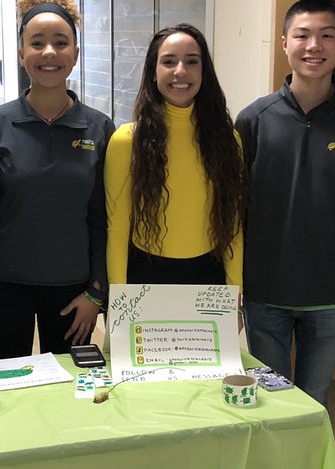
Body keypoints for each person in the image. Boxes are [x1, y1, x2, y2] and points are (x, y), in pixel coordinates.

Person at [235, 0, 335, 406]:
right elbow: (234, 212)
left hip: (330, 294)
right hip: (265, 293)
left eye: (326, 36)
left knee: (314, 399)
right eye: (302, 35)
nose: (313, 46)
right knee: (273, 401)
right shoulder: (253, 120)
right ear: (285, 43)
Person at [0, 0, 114, 358]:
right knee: (5, 390)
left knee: (68, 393)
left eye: (60, 42)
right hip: (2, 285)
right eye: (37, 43)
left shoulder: (99, 129)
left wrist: (96, 292)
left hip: (73, 291)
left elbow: (103, 217)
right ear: (21, 54)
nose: (49, 52)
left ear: (76, 54)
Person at [104, 24, 245, 289]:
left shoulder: (227, 140)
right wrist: (119, 298)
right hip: (145, 274)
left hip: (208, 276)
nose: (180, 71)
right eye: (168, 61)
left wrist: (235, 294)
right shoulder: (127, 141)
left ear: (204, 72)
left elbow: (232, 225)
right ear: (153, 72)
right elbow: (118, 227)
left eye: (192, 61)